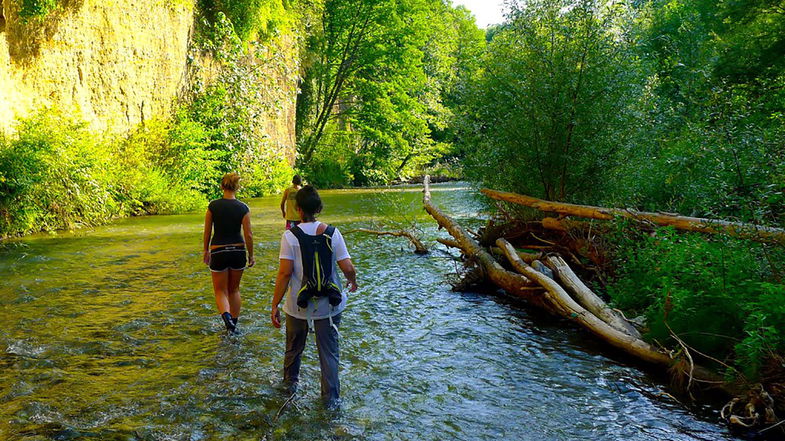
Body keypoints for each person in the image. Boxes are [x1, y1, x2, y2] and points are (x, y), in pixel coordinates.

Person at [270, 185, 358, 406]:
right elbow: (347, 266)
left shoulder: (290, 236)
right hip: (329, 306)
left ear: (298, 209)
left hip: (297, 304)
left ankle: (288, 393)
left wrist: (274, 305)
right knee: (329, 354)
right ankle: (330, 402)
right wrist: (352, 281)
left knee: (293, 350)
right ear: (319, 208)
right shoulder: (332, 233)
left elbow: (284, 273)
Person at [202, 172, 255, 334]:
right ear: (237, 187)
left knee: (220, 291)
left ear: (222, 186)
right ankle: (234, 325)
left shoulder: (213, 206)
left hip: (218, 251)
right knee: (234, 290)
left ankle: (227, 320)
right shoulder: (243, 208)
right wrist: (251, 255)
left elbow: (207, 231)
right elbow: (249, 235)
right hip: (238, 251)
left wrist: (205, 250)